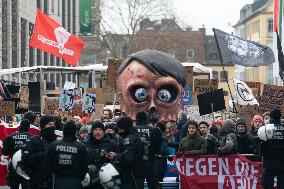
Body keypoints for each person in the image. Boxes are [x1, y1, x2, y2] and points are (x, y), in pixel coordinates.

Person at [47, 121, 89, 189]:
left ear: (64, 131)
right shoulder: (81, 147)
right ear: (75, 132)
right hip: (74, 181)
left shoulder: (54, 145)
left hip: (57, 181)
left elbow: (48, 165)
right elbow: (85, 166)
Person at [21, 115, 57, 189]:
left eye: (53, 124)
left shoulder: (56, 142)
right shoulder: (34, 141)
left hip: (53, 182)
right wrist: (43, 154)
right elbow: (25, 159)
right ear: (43, 126)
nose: (52, 127)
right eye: (50, 124)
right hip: (37, 182)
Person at [83, 120, 118, 189]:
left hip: (105, 181)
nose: (98, 132)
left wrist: (115, 156)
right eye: (95, 130)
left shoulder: (111, 144)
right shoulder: (84, 144)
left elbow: (118, 161)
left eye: (100, 130)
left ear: (103, 131)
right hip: (88, 180)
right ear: (92, 131)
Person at [116, 116, 145, 189]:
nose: (118, 131)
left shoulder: (130, 139)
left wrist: (116, 156)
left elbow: (128, 157)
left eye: (119, 128)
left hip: (131, 176)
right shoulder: (136, 135)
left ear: (124, 128)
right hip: (137, 174)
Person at [2, 119, 32, 189]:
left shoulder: (10, 137)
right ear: (28, 127)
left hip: (14, 168)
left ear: (19, 126)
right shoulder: (32, 137)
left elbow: (5, 153)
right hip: (27, 169)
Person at [135, 111, 161, 189]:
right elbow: (157, 144)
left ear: (137, 119)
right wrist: (153, 153)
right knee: (153, 184)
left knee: (138, 184)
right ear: (146, 119)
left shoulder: (133, 130)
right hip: (150, 161)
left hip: (136, 162)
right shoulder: (153, 130)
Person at [260, 109, 284, 189]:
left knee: (267, 185)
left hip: (269, 163)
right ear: (280, 117)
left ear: (271, 117)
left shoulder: (265, 129)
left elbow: (261, 146)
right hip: (282, 164)